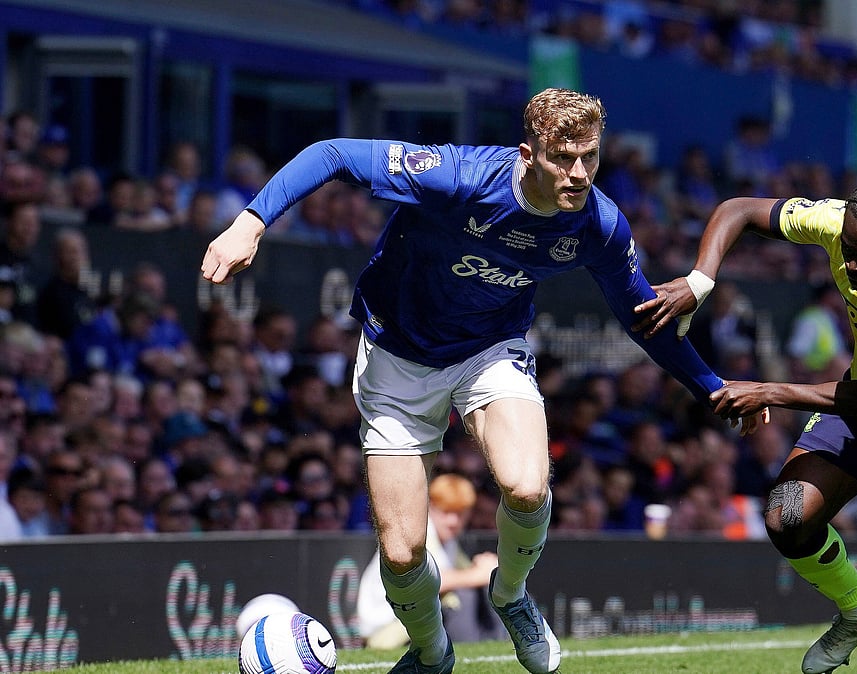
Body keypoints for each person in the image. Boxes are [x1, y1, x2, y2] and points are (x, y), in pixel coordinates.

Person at [202, 87, 752, 674]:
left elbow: (645, 320)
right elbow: (334, 152)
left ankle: (511, 595)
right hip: (396, 355)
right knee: (403, 550)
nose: (577, 173)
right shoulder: (457, 177)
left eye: (589, 157)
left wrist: (711, 386)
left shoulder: (599, 225)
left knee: (527, 485)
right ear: (526, 154)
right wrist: (251, 222)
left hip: (490, 350)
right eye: (561, 158)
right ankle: (432, 653)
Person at [634, 178, 857, 674]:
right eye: (847, 249)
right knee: (787, 516)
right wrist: (700, 281)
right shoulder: (842, 223)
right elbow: (739, 209)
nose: (850, 266)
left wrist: (766, 391)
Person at [358, 473, 505, 649]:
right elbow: (431, 581)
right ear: (431, 507)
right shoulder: (420, 533)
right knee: (461, 597)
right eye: (446, 512)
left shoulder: (449, 540)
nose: (453, 521)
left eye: (460, 513)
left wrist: (485, 565)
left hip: (410, 623)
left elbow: (469, 572)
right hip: (385, 630)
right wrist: (479, 573)